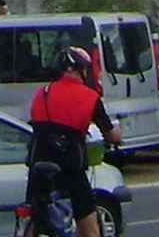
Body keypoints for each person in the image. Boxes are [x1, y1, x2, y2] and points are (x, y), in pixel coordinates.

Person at [25, 48, 120, 237]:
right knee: (90, 228)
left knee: (34, 216)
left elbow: (36, 121)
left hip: (39, 164)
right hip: (70, 168)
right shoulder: (90, 97)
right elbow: (112, 135)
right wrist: (118, 132)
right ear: (82, 70)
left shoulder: (42, 92)